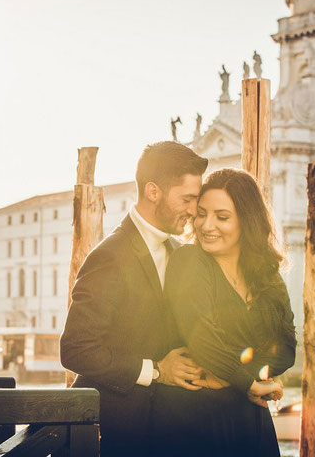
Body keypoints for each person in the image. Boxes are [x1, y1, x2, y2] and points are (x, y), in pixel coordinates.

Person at [60, 141, 208, 456]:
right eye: (187, 199)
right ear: (153, 191)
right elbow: (75, 350)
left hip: (172, 432)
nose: (194, 210)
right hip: (115, 435)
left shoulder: (181, 252)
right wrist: (155, 370)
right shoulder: (109, 257)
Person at [153, 168, 296, 456]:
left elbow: (287, 349)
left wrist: (232, 379)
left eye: (222, 217)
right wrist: (248, 382)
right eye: (202, 213)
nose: (207, 225)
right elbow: (202, 337)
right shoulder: (190, 260)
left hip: (250, 419)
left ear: (247, 220)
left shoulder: (267, 275)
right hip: (192, 422)